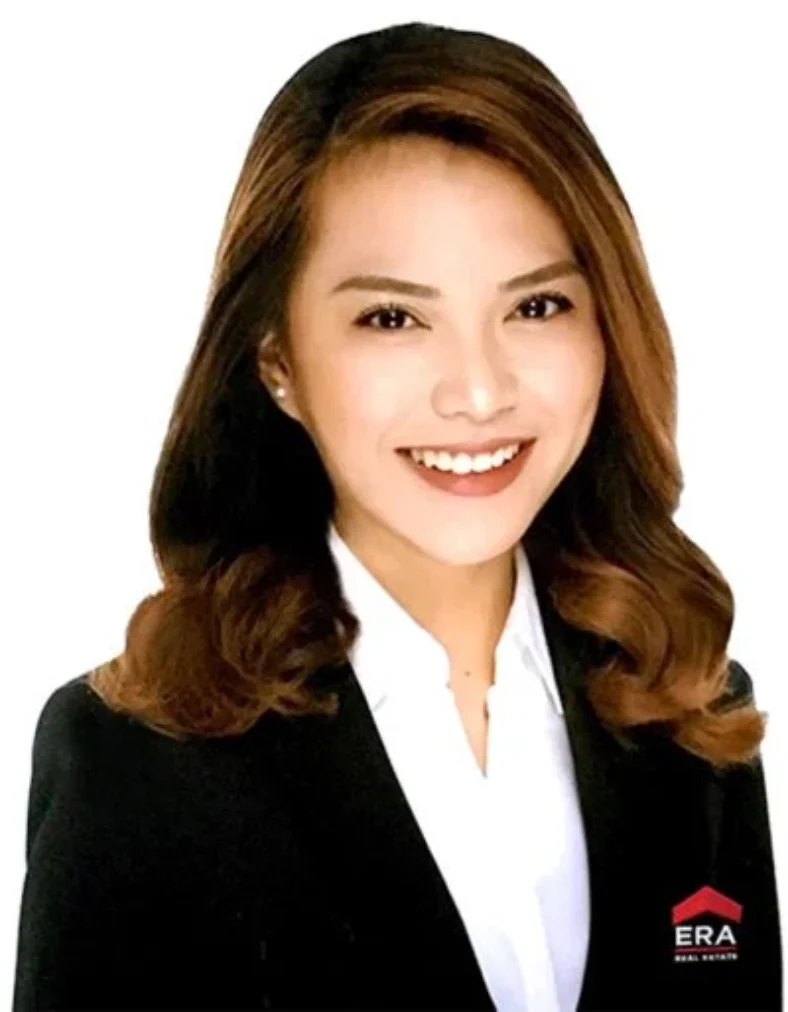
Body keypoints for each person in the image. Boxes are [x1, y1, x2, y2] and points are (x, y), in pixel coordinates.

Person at [13, 20, 782, 1012]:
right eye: (392, 318)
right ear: (277, 361)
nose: (478, 391)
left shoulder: (689, 707)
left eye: (536, 307)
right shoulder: (134, 763)